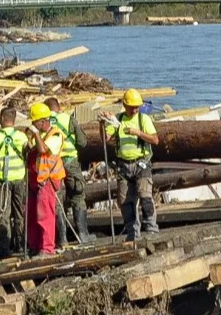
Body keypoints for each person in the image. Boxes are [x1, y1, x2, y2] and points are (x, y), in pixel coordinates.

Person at [102, 88, 160, 241]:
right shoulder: (118, 120)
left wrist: (138, 133)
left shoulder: (143, 119)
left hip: (141, 163)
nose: (135, 110)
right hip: (123, 166)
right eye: (132, 107)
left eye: (137, 107)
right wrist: (103, 123)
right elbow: (105, 138)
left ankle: (151, 229)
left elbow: (155, 140)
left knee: (145, 195)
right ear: (125, 105)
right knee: (125, 201)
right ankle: (133, 232)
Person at [47, 95, 90, 245]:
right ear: (58, 107)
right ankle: (83, 235)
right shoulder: (67, 118)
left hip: (53, 164)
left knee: (57, 200)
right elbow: (82, 142)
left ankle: (62, 239)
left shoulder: (44, 120)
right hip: (70, 161)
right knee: (77, 196)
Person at [25, 102, 66, 256]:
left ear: (43, 121)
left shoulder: (55, 135)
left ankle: (47, 248)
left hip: (47, 181)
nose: (33, 125)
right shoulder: (41, 136)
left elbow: (43, 150)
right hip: (35, 181)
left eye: (35, 123)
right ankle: (35, 245)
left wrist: (35, 134)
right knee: (32, 215)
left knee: (45, 215)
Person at [0, 106, 30, 259]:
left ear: (1, 119)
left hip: (3, 181)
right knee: (20, 214)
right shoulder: (21, 137)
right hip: (19, 179)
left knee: (3, 214)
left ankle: (4, 248)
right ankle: (21, 245)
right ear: (14, 120)